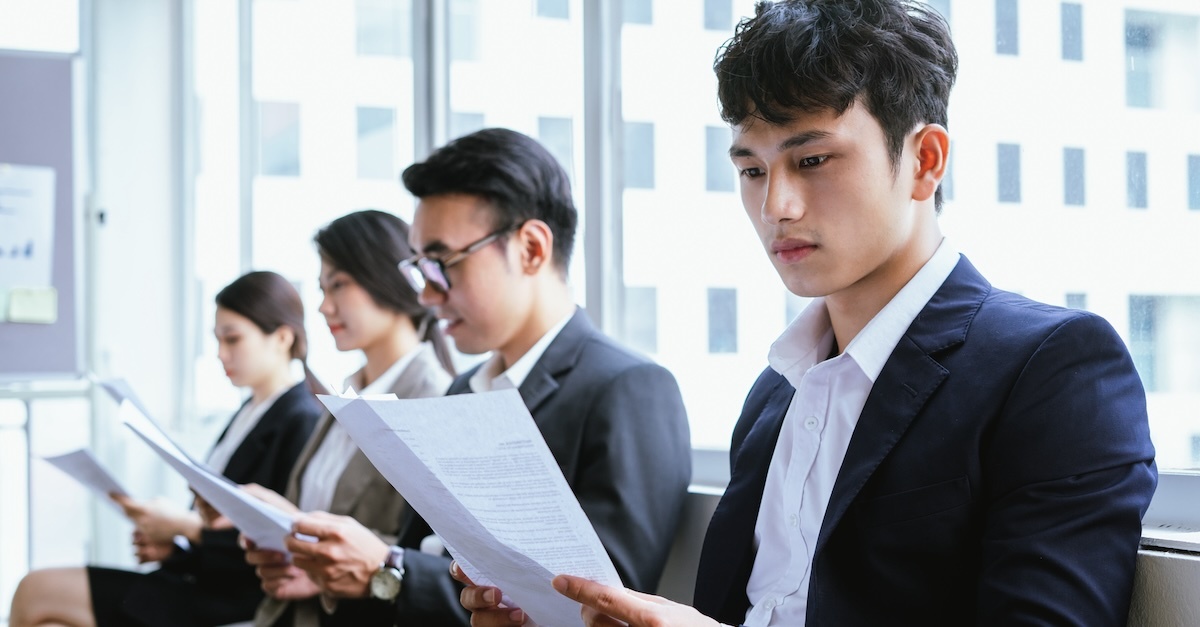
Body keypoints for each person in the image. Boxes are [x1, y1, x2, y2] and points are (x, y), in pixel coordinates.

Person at [458, 1, 1159, 626]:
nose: (776, 207)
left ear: (926, 159)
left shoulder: (1052, 367)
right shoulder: (776, 395)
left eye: (814, 159)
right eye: (752, 170)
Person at [272, 128, 693, 626]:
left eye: (442, 264)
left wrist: (391, 570)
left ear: (531, 249)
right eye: (420, 269)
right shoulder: (460, 388)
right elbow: (421, 550)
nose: (428, 295)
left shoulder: (629, 389)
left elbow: (603, 607)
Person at [9, 270, 324, 627]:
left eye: (233, 339)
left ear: (282, 337)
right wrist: (175, 544)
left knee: (35, 590)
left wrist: (185, 527)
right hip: (195, 578)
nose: (221, 354)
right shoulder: (249, 411)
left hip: (230, 597)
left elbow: (274, 541)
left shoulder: (301, 419)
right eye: (217, 340)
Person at [243, 210, 456, 627]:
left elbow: (433, 554)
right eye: (322, 289)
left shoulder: (435, 400)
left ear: (387, 277)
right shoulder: (347, 394)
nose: (323, 307)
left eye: (338, 284)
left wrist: (325, 565)